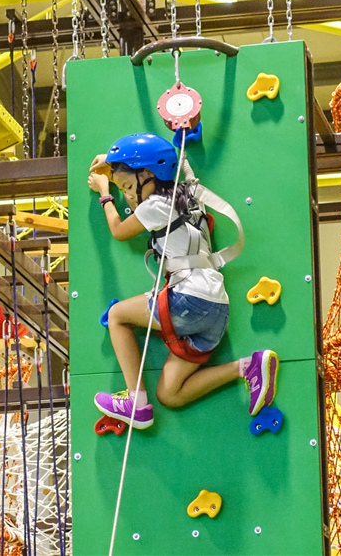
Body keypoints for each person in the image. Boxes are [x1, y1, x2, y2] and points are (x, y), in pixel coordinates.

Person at [86, 133, 278, 430]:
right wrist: (111, 170)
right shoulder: (189, 199)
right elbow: (138, 172)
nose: (126, 194)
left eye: (127, 187)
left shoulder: (155, 206)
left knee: (117, 317)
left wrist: (105, 194)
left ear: (148, 175)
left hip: (190, 300)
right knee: (170, 394)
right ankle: (248, 367)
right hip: (215, 310)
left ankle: (135, 402)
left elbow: (119, 230)